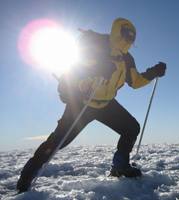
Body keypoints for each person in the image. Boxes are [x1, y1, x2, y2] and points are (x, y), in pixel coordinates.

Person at [17, 18, 166, 193]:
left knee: (131, 128)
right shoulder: (97, 47)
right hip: (81, 104)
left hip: (105, 105)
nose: (129, 40)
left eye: (132, 38)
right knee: (57, 142)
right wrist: (97, 69)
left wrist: (152, 73)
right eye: (126, 35)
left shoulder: (127, 59)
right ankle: (27, 176)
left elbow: (135, 81)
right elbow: (73, 71)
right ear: (117, 33)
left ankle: (120, 167)